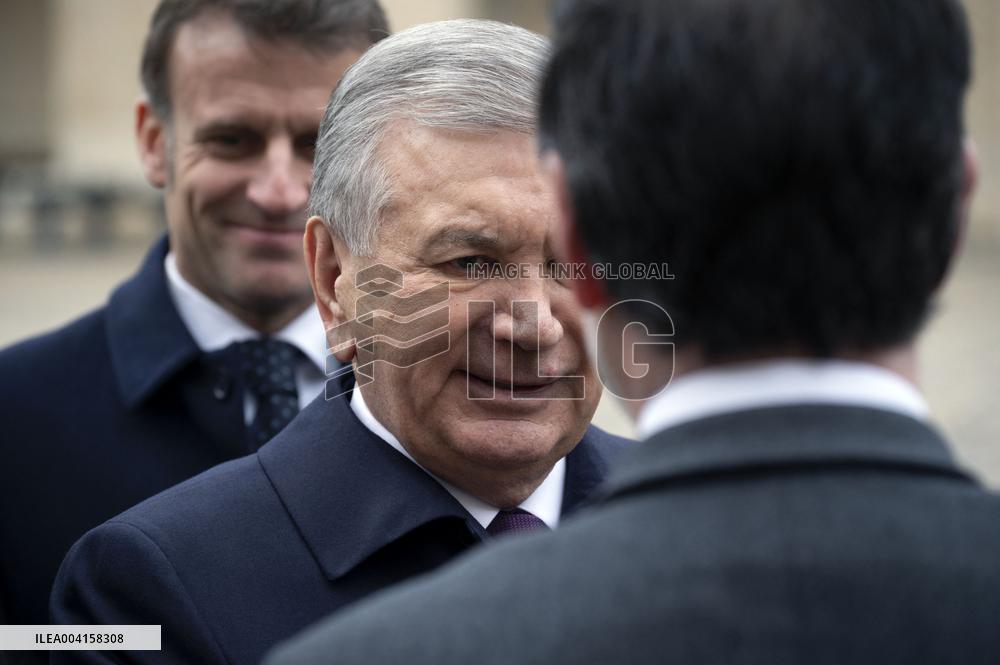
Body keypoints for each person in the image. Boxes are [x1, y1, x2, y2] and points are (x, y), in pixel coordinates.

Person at [263, 1, 1000, 664]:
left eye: (550, 260)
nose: (529, 321)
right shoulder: (170, 581)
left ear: (583, 253)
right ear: (954, 219)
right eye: (472, 259)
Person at [49, 19, 628, 665]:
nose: (536, 324)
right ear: (334, 280)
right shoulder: (155, 584)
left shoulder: (726, 519)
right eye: (469, 261)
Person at [0, 0, 387, 641]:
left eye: (318, 148)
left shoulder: (450, 400)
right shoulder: (14, 418)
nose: (281, 191)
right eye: (232, 139)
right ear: (155, 142)